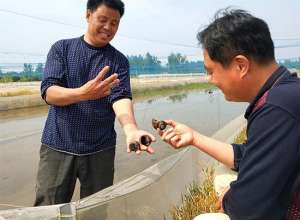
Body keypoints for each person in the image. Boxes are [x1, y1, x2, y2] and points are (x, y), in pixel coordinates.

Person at [157, 9, 300, 220]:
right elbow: (250, 156)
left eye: (211, 71)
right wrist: (194, 138)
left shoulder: (277, 108)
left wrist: (228, 199)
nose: (211, 80)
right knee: (223, 176)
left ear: (240, 65)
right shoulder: (285, 92)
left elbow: (247, 209)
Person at [34, 0, 155, 206]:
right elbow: (49, 92)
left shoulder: (118, 61)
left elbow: (120, 97)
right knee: (48, 208)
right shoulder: (62, 49)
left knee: (97, 209)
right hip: (58, 145)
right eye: (103, 19)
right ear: (88, 15)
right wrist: (83, 93)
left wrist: (131, 128)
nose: (108, 27)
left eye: (115, 23)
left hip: (100, 149)